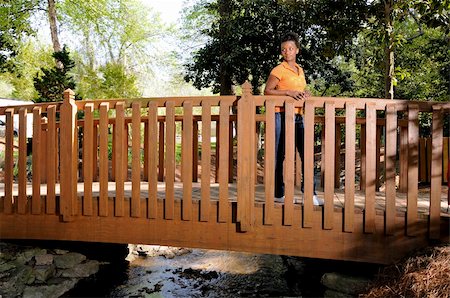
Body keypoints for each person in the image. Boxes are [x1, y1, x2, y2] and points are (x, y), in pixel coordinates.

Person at [264, 32, 323, 206]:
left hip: (298, 115)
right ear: (281, 52)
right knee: (278, 154)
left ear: (297, 50)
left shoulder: (300, 70)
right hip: (279, 115)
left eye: (290, 48)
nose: (287, 51)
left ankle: (310, 195)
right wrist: (288, 93)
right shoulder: (278, 70)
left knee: (306, 153)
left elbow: (298, 90)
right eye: (284, 49)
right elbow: (267, 91)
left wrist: (305, 94)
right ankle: (278, 193)